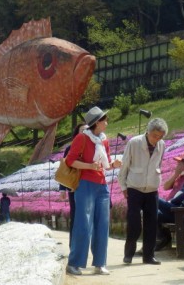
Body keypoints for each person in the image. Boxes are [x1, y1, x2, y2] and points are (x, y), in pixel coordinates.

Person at [65, 106, 122, 276]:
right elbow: (70, 161)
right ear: (97, 122)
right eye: (105, 120)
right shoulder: (82, 138)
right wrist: (89, 166)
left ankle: (100, 263)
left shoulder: (104, 140)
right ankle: (74, 263)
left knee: (102, 224)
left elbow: (106, 164)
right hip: (85, 184)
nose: (107, 122)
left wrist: (114, 165)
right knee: (83, 223)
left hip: (102, 185)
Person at [118, 117, 168, 265]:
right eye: (154, 136)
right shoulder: (134, 143)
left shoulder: (162, 145)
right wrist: (123, 187)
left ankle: (148, 256)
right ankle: (129, 254)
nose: (156, 139)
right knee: (134, 223)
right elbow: (125, 165)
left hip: (152, 189)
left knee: (152, 223)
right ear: (148, 131)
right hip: (135, 187)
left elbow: (159, 163)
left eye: (160, 137)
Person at [59, 123, 88, 246]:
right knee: (75, 216)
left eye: (87, 131)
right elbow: (64, 169)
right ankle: (73, 245)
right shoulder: (69, 149)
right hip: (74, 187)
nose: (85, 133)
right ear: (76, 134)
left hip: (89, 186)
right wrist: (62, 188)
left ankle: (85, 245)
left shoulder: (92, 148)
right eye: (82, 130)